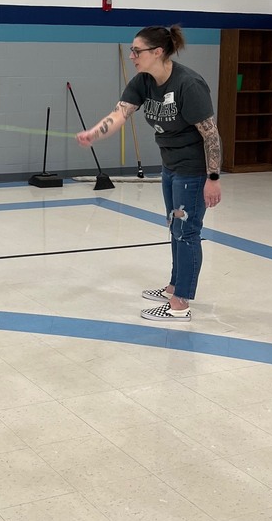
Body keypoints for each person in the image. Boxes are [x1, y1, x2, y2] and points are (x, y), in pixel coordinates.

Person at [76, 24, 222, 322]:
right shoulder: (143, 81)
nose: (132, 56)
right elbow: (121, 113)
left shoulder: (188, 84)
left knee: (187, 232)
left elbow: (211, 135)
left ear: (158, 52)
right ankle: (173, 286)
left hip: (193, 171)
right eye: (131, 50)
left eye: (137, 51)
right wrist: (95, 133)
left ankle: (180, 303)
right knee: (174, 227)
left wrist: (213, 178)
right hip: (170, 166)